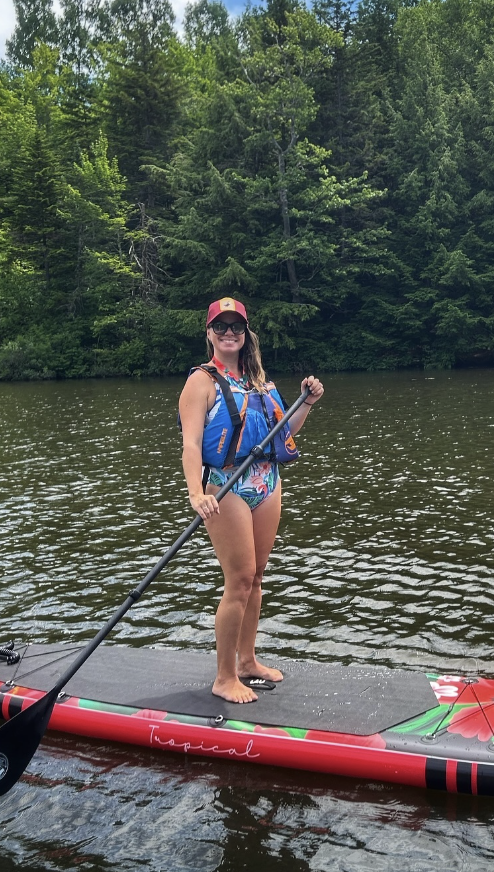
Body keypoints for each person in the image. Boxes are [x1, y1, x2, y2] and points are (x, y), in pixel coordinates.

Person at [178, 297, 324, 703]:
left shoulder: (260, 380)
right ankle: (224, 677)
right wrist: (195, 493)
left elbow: (284, 430)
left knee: (257, 576)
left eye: (236, 327)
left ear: (245, 334)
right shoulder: (201, 382)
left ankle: (247, 661)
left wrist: (307, 402)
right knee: (239, 580)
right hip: (226, 486)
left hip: (266, 481)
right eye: (221, 327)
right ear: (209, 333)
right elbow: (190, 445)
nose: (229, 333)